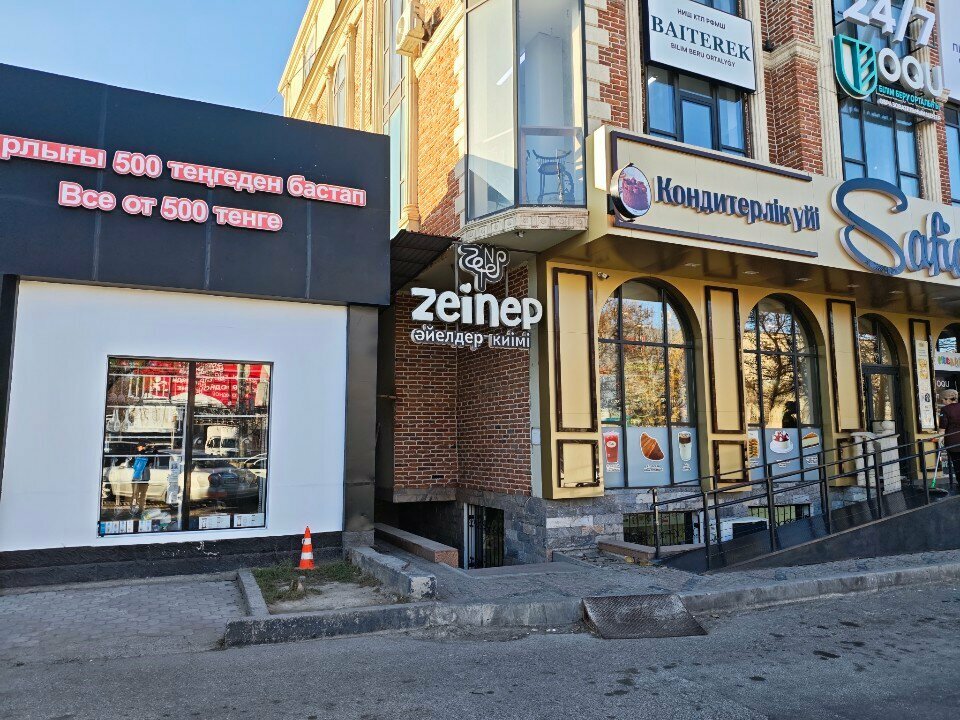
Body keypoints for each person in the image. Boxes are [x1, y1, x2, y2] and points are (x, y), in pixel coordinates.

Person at [938, 390, 960, 486]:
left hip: (953, 442)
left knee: (957, 464)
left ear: (947, 399)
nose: (942, 402)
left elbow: (942, 428)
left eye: (942, 400)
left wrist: (940, 439)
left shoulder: (945, 410)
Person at [130, 442, 152, 517]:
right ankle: (134, 509)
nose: (138, 448)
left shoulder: (147, 454)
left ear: (142, 447)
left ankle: (140, 509)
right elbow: (133, 463)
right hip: (138, 477)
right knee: (135, 494)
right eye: (138, 447)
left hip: (144, 477)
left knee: (141, 494)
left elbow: (150, 461)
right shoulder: (136, 454)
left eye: (139, 446)